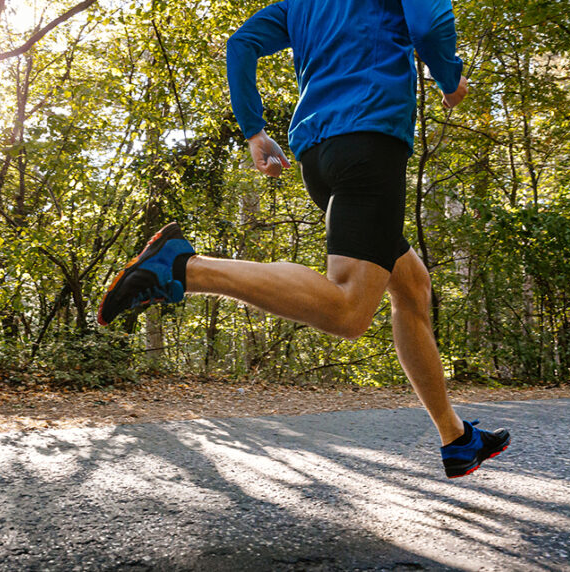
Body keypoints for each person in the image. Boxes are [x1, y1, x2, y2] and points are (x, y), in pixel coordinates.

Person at [98, 0, 509, 478]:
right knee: (350, 308)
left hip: (319, 154)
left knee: (411, 285)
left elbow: (242, 44)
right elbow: (428, 21)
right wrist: (447, 73)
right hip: (369, 139)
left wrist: (254, 131)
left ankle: (455, 438)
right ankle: (182, 267)